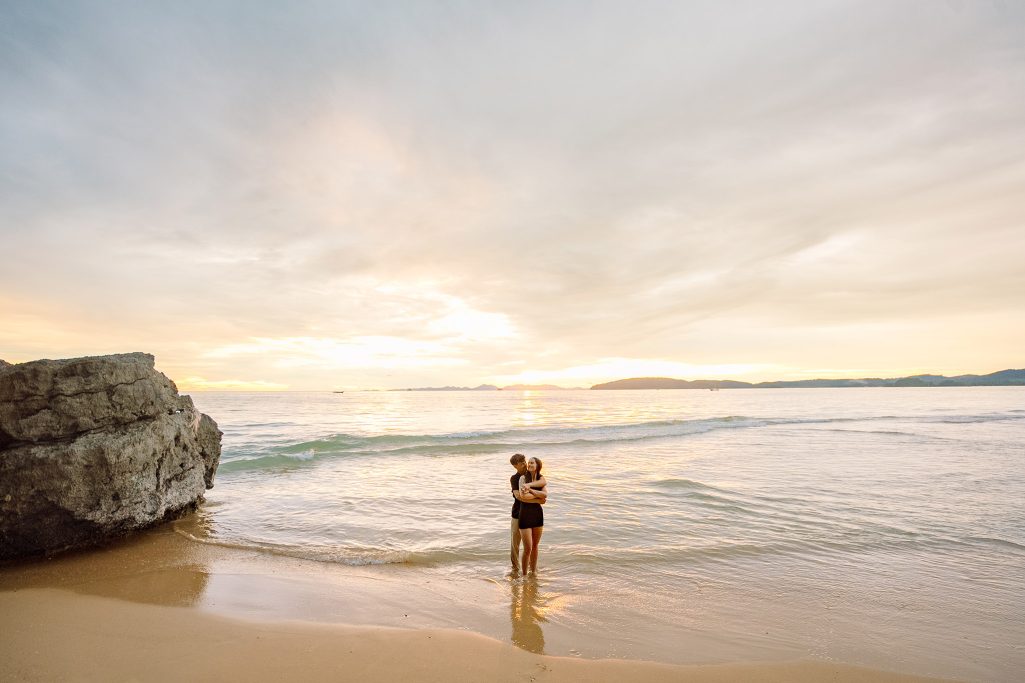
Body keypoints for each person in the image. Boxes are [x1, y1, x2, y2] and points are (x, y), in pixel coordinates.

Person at [515, 456, 546, 574]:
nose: (529, 464)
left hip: (537, 514)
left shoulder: (541, 478)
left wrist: (531, 490)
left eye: (532, 463)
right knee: (528, 548)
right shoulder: (523, 478)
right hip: (525, 515)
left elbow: (545, 494)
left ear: (538, 465)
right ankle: (524, 575)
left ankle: (533, 572)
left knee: (535, 546)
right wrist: (538, 497)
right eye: (529, 463)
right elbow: (523, 497)